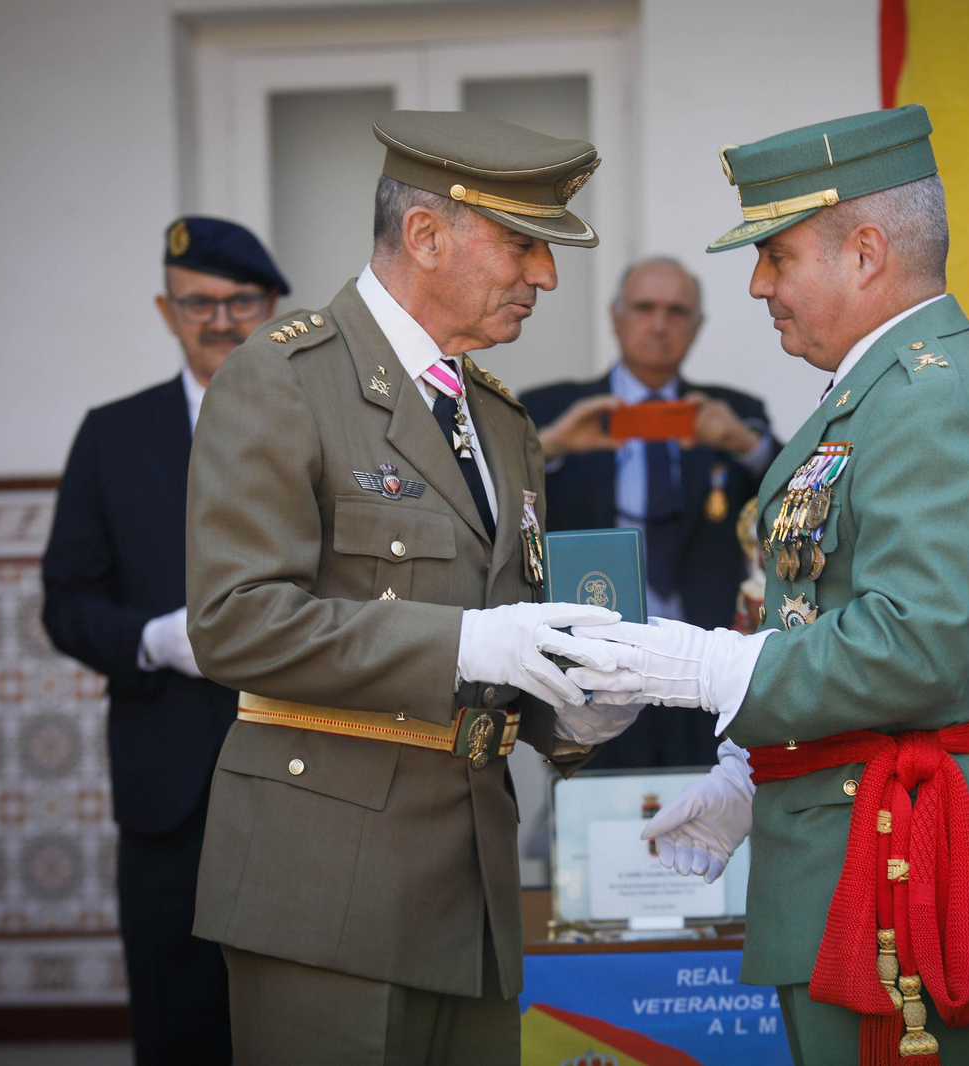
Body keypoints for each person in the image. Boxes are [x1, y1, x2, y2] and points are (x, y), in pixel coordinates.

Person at [568, 105, 969, 1065]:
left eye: (777, 255)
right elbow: (820, 607)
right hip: (854, 847)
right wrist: (750, 778)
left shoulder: (930, 403)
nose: (758, 285)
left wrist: (705, 666)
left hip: (903, 867)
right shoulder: (879, 390)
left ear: (867, 252)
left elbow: (914, 647)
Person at [183, 110, 633, 1065]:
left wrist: (575, 716)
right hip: (325, 891)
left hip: (470, 891)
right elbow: (234, 624)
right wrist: (466, 645)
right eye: (523, 245)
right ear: (427, 236)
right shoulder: (282, 380)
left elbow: (509, 630)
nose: (545, 276)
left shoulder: (500, 419)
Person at [41, 215, 288, 1064]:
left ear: (273, 306)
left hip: (308, 769)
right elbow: (65, 602)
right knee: (178, 1018)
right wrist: (151, 639)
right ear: (165, 308)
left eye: (239, 301)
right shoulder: (113, 434)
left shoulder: (321, 424)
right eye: (197, 303)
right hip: (167, 781)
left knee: (305, 1013)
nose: (219, 321)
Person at [521, 257, 778, 768]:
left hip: (706, 662)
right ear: (615, 317)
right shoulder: (551, 408)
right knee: (597, 825)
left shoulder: (727, 410)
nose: (659, 324)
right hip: (593, 664)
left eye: (677, 311)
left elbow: (792, 496)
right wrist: (548, 447)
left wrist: (743, 443)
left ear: (697, 326)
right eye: (644, 308)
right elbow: (497, 504)